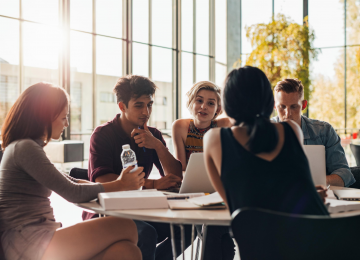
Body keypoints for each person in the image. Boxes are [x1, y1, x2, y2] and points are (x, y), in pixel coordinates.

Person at [0, 82, 142, 260]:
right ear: (45, 117)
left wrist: (114, 185)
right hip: (28, 242)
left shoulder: (24, 146)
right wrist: (120, 184)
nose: (67, 123)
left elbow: (70, 182)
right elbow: (72, 192)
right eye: (63, 117)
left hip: (35, 239)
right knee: (125, 226)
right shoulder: (25, 148)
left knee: (128, 252)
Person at [84, 75, 193, 260]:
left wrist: (158, 145)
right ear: (122, 106)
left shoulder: (153, 134)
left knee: (187, 227)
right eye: (139, 105)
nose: (146, 111)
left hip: (141, 208)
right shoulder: (103, 134)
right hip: (107, 211)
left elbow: (176, 176)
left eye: (149, 105)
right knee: (146, 233)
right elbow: (102, 180)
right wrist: (152, 184)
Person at [203, 66, 329, 217]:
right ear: (269, 101)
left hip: (258, 238)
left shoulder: (213, 139)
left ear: (227, 102)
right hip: (316, 235)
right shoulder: (292, 130)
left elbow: (236, 206)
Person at [172, 81, 235, 260]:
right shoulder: (181, 127)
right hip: (194, 193)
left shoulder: (223, 125)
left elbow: (242, 121)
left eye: (211, 103)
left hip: (219, 193)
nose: (203, 107)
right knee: (218, 233)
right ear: (191, 102)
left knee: (218, 231)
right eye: (199, 100)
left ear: (218, 108)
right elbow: (182, 168)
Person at [272, 78, 355, 187]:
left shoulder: (324, 131)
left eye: (294, 107)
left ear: (304, 105)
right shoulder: (262, 132)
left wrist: (318, 181)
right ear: (274, 106)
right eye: (282, 107)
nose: (288, 114)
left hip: (316, 196)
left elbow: (345, 174)